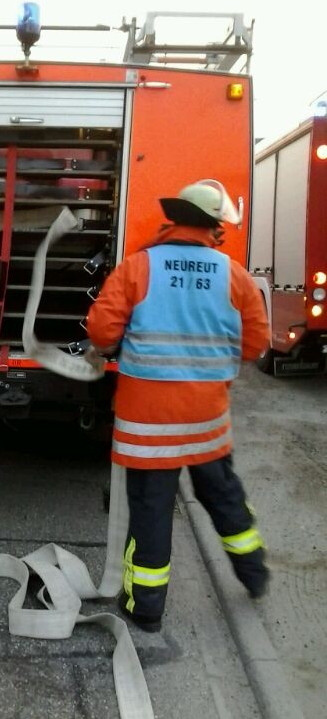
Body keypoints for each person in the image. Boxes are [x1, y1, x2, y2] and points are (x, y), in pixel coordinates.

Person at [86, 179, 270, 633]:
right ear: (214, 228)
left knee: (151, 511)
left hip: (147, 425)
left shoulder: (139, 266)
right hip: (207, 422)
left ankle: (146, 609)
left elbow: (102, 332)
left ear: (174, 220)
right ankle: (254, 574)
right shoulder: (234, 275)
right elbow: (256, 344)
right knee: (224, 497)